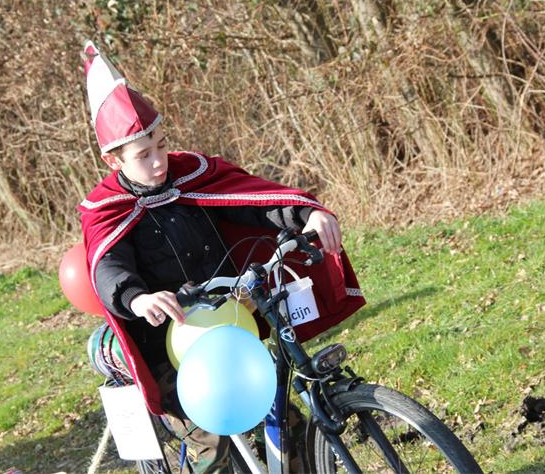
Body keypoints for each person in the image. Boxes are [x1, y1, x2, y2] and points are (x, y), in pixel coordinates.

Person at [78, 41, 365, 473]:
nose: (158, 162)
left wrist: (305, 213)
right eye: (143, 156)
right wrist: (138, 299)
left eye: (161, 145)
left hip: (228, 328)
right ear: (112, 160)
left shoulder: (195, 173)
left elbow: (253, 202)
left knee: (286, 424)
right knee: (211, 448)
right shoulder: (107, 208)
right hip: (167, 348)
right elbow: (108, 267)